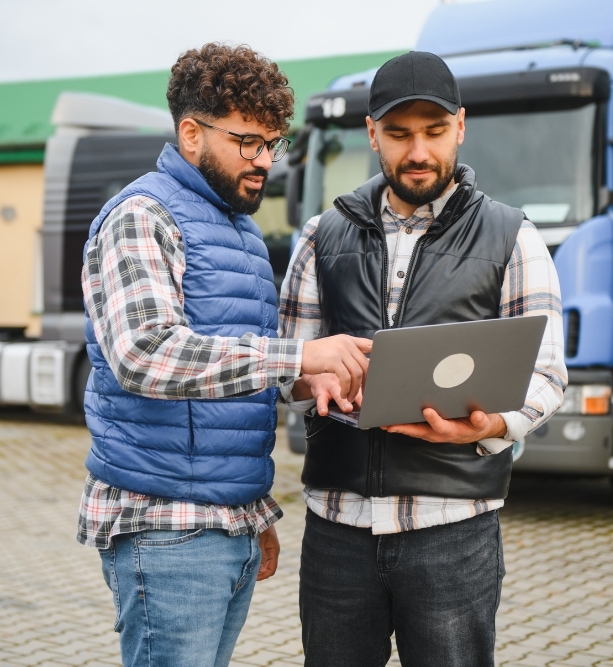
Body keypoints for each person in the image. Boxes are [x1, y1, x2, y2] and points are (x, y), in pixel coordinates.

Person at [76, 43, 372, 667]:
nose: (265, 161)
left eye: (273, 143)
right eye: (248, 142)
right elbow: (146, 355)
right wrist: (298, 357)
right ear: (191, 133)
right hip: (165, 528)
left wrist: (252, 510)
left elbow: (237, 387)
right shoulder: (142, 216)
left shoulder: (238, 231)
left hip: (223, 525)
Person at [280, 51, 567, 667]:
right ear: (372, 136)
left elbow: (547, 374)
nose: (418, 152)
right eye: (399, 134)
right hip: (338, 528)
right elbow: (289, 368)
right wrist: (311, 377)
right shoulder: (319, 235)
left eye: (434, 133)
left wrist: (493, 424)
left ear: (461, 127)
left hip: (453, 528)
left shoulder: (513, 237)